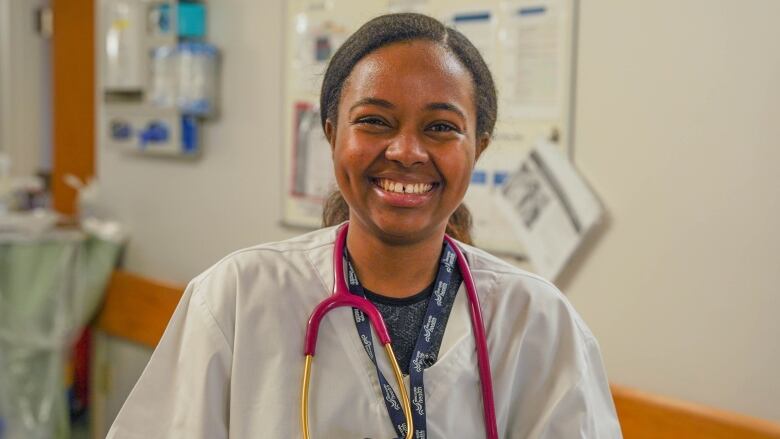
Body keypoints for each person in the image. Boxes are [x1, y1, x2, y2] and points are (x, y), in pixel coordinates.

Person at [107, 13, 622, 438]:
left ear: (477, 148)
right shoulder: (236, 299)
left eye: (440, 128)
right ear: (331, 135)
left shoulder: (537, 321)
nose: (405, 151)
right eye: (374, 121)